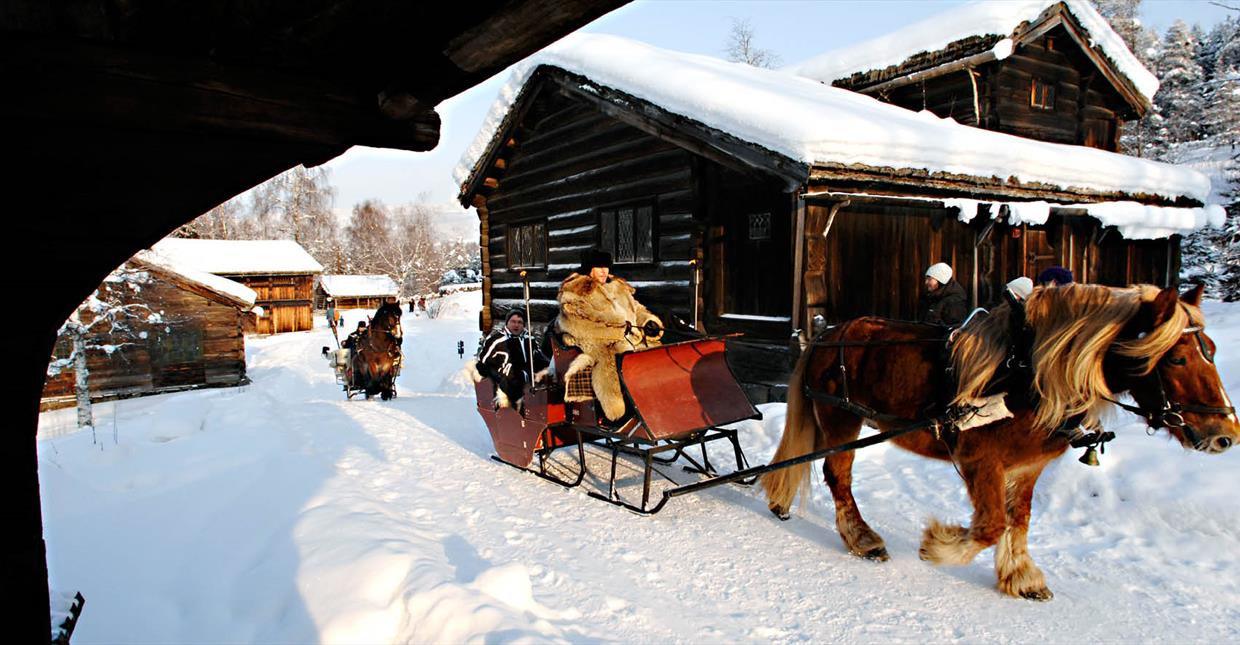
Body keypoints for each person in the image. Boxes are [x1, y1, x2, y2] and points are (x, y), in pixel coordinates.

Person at [556, 249, 663, 421]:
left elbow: (637, 309)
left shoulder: (618, 287)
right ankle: (618, 412)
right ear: (589, 268)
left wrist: (648, 322)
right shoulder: (576, 291)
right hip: (592, 340)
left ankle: (655, 400)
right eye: (599, 268)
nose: (604, 271)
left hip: (629, 337)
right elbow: (576, 324)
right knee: (612, 358)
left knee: (657, 353)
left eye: (606, 267)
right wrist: (617, 333)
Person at [476, 309, 549, 410]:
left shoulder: (529, 340)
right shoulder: (496, 340)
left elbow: (539, 358)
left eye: (520, 322)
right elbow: (482, 363)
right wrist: (498, 378)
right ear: (507, 323)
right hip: (506, 382)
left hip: (528, 380)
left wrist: (549, 368)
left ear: (523, 325)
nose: (516, 325)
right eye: (513, 322)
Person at [918, 262, 968, 326]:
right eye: (926, 279)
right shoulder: (932, 296)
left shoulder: (954, 302)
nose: (926, 282)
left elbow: (952, 329)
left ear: (940, 280)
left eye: (929, 279)